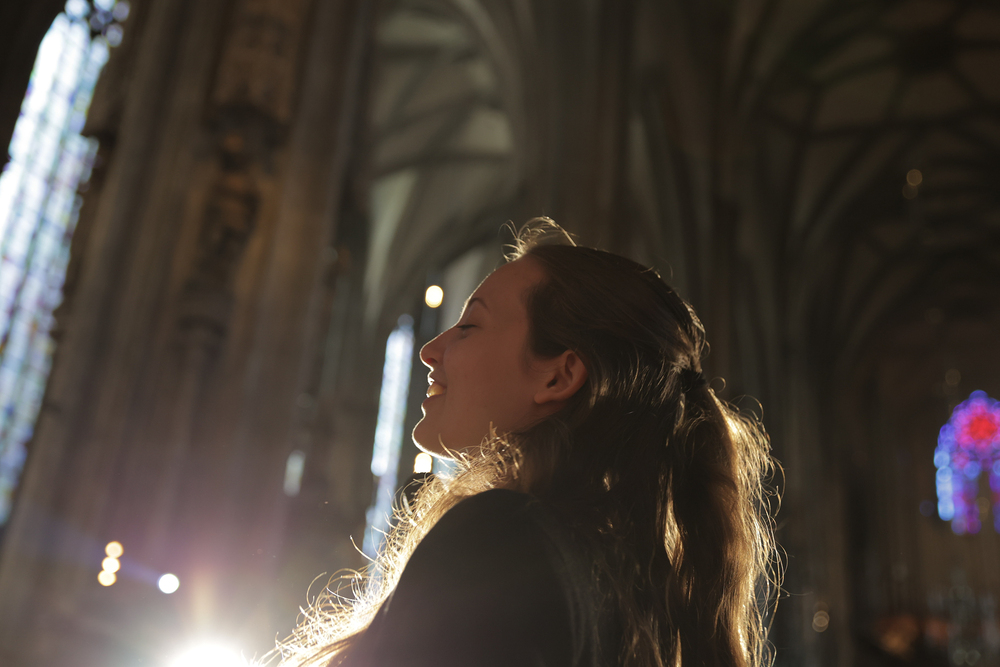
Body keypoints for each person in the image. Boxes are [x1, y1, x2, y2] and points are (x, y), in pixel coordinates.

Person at [280, 219, 779, 667]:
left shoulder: (503, 541)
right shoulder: (626, 592)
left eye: (469, 326)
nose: (431, 351)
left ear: (559, 376)